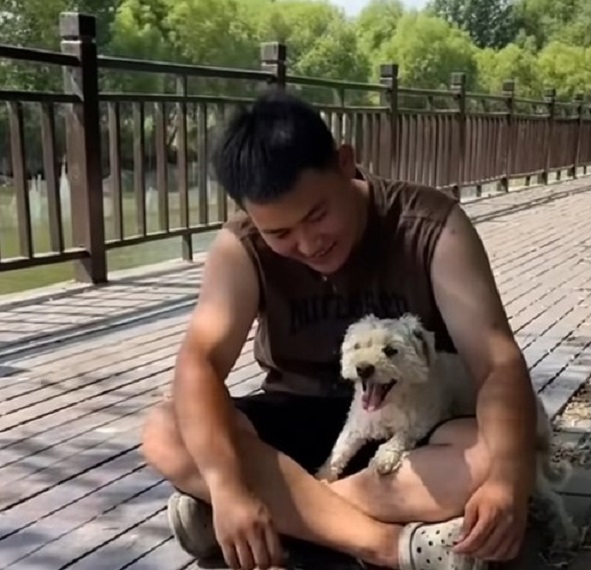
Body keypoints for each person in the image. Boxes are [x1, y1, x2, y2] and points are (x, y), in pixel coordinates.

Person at [140, 89, 539, 570]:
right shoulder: (239, 247)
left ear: (346, 163)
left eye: (317, 215)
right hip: (296, 423)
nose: (308, 244)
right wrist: (226, 485)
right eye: (280, 234)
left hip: (413, 429)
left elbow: (496, 362)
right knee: (166, 427)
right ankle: (388, 546)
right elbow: (199, 363)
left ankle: (273, 520)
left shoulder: (432, 226)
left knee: (488, 457)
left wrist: (509, 480)